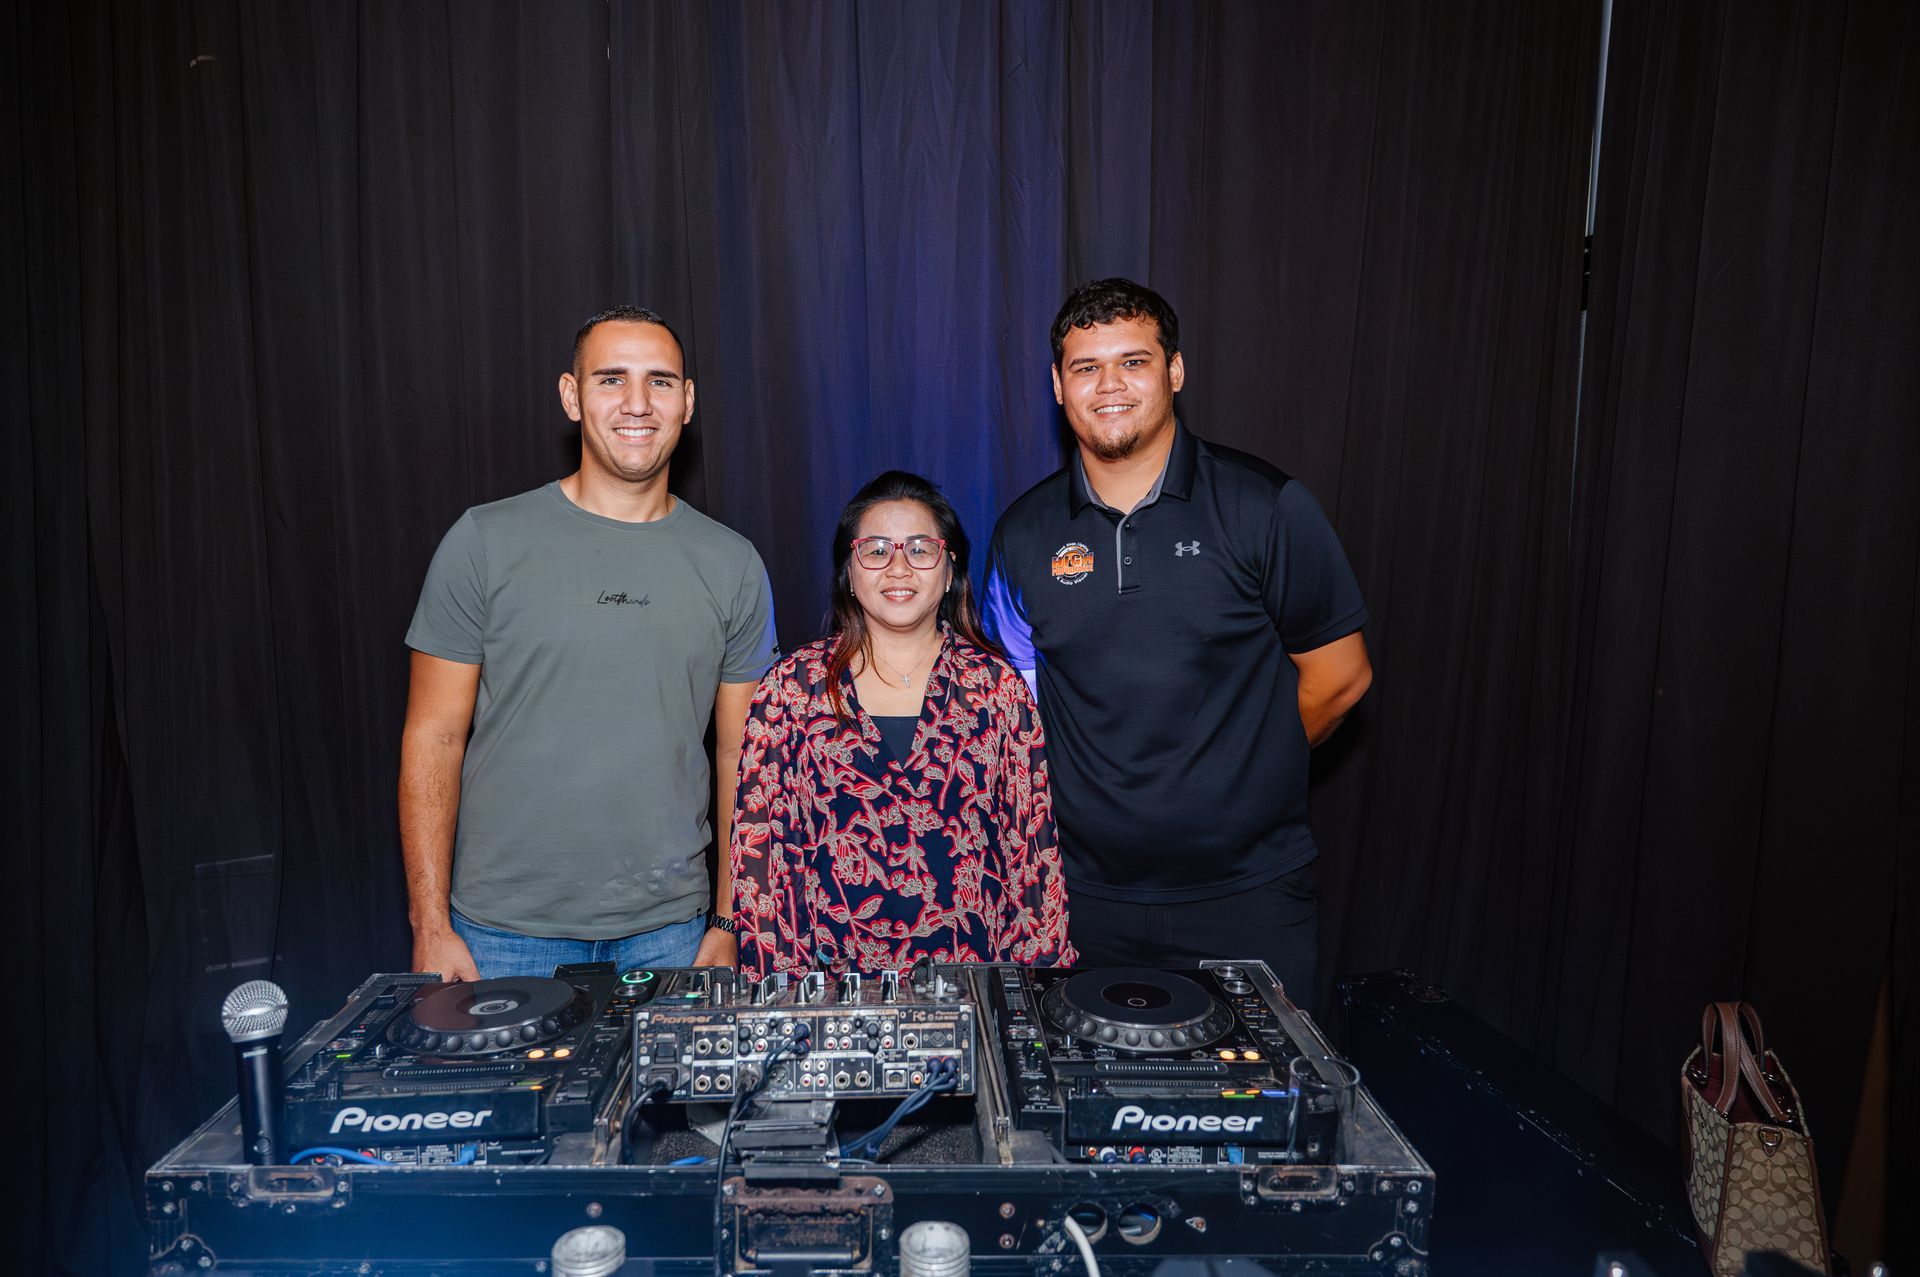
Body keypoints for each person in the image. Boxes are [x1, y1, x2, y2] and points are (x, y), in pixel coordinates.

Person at [983, 279, 1372, 1012]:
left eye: (1133, 361)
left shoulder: (1264, 506)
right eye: (1086, 367)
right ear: (1059, 387)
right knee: (1081, 1087)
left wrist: (1244, 776)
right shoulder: (1023, 532)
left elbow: (1341, 677)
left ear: (1175, 371)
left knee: (1269, 1087)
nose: (1109, 385)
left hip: (1249, 895)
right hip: (1081, 898)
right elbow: (1019, 700)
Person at [399, 305, 777, 980]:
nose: (638, 403)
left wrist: (728, 922)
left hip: (673, 934)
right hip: (501, 938)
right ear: (572, 396)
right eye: (611, 379)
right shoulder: (483, 542)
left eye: (660, 381)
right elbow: (434, 738)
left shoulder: (734, 564)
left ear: (688, 402)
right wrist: (429, 925)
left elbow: (742, 759)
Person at [729, 471, 1076, 978]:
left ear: (950, 567)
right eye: (875, 550)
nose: (898, 567)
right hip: (833, 997)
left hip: (971, 987)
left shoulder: (996, 689)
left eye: (919, 549)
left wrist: (1031, 992)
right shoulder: (791, 691)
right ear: (849, 571)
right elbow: (761, 860)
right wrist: (782, 997)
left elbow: (1033, 857)